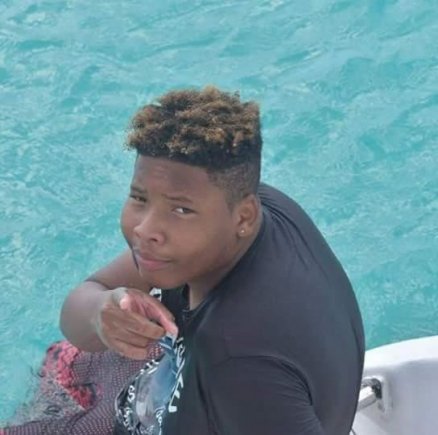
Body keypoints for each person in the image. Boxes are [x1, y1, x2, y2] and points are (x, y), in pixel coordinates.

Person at [59, 86, 365, 435]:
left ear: (244, 216)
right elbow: (87, 298)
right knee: (65, 360)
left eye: (181, 210)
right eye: (140, 198)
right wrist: (101, 313)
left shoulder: (238, 362)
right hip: (173, 383)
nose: (145, 229)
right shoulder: (252, 208)